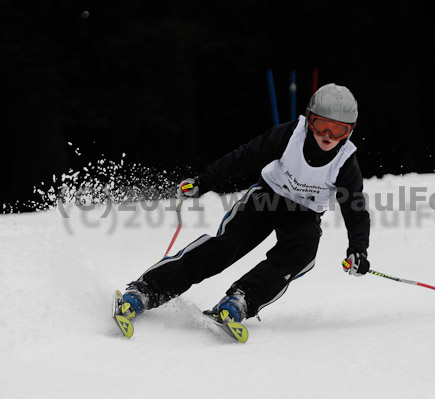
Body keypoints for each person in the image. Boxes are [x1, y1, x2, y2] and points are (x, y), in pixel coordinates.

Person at [115, 83, 371, 327]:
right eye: (321, 125)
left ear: (350, 131)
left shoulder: (346, 163)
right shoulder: (289, 136)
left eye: (338, 130)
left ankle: (242, 299)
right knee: (224, 248)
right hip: (266, 198)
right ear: (309, 119)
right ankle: (148, 289)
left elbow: (356, 211)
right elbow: (244, 157)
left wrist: (357, 250)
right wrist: (203, 183)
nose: (328, 135)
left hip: (304, 214)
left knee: (302, 253)